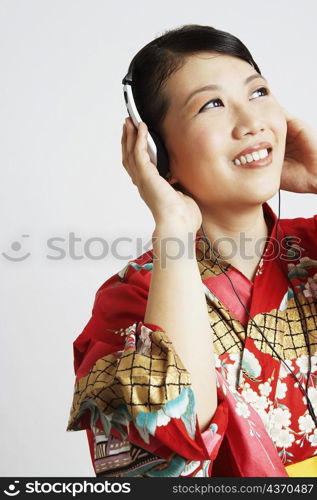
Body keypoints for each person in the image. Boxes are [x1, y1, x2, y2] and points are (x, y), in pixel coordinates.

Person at [66, 24, 317, 477]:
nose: (252, 123)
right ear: (161, 155)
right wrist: (174, 229)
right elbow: (165, 465)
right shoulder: (130, 301)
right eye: (212, 105)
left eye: (258, 92)